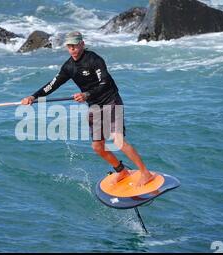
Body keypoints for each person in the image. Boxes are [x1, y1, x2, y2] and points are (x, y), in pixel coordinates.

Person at [21, 31, 156, 186]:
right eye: (70, 46)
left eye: (76, 45)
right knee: (98, 147)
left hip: (110, 100)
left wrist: (86, 94)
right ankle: (122, 171)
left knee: (117, 140)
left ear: (82, 44)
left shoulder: (94, 60)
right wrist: (33, 97)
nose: (73, 49)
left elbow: (105, 83)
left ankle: (146, 173)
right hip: (94, 106)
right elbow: (53, 84)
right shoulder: (68, 67)